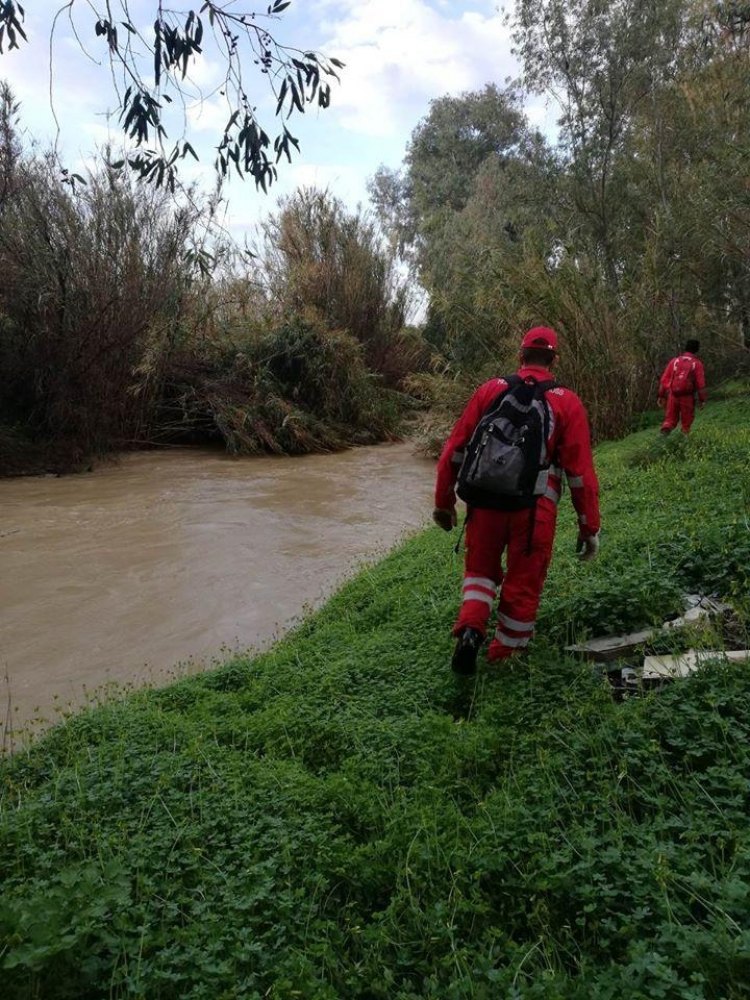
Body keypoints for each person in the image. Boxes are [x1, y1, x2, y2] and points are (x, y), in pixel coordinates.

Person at [433, 326, 601, 675]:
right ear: (554, 359)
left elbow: (455, 451)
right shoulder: (566, 401)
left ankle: (469, 631)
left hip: (485, 503)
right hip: (534, 511)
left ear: (520, 355)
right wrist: (589, 527)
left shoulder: (490, 390)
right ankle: (505, 657)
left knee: (479, 572)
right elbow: (580, 474)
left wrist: (444, 502)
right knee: (523, 583)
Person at [658, 339, 707, 435]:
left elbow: (664, 380)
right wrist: (702, 399)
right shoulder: (697, 364)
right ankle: (683, 442)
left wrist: (661, 395)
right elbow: (701, 384)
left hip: (673, 395)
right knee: (686, 422)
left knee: (669, 420)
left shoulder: (674, 361)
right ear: (697, 349)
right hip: (687, 396)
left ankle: (662, 439)